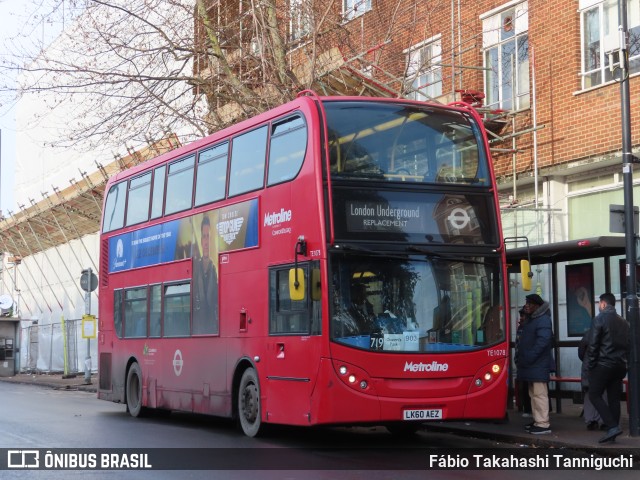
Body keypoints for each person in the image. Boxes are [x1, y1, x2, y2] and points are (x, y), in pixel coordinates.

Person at [586, 293, 630, 443]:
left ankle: (612, 426)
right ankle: (613, 431)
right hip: (619, 365)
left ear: (603, 304)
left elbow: (593, 346)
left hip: (603, 365)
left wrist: (591, 366)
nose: (599, 306)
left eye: (599, 303)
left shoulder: (599, 319)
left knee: (594, 394)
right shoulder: (624, 322)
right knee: (614, 398)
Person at [515, 293, 553, 435]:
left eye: (529, 304)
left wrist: (529, 356)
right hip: (532, 364)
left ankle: (543, 423)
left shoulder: (542, 320)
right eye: (526, 303)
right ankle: (538, 421)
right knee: (534, 394)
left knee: (539, 394)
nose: (527, 306)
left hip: (536, 364)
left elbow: (543, 341)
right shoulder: (534, 319)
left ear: (537, 305)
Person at [192, 214, 219, 335]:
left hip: (213, 330)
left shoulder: (216, 270)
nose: (206, 241)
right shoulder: (194, 268)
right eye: (204, 236)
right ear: (201, 240)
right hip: (197, 331)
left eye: (208, 236)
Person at [578, 327, 606, 430]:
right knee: (604, 394)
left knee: (589, 394)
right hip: (605, 367)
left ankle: (591, 420)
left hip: (589, 367)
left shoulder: (588, 333)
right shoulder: (611, 332)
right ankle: (604, 421)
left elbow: (581, 352)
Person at [515, 307, 532, 417]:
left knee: (527, 386)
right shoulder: (521, 327)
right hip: (521, 360)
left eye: (522, 316)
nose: (521, 318)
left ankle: (528, 409)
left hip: (526, 360)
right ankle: (527, 408)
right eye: (520, 316)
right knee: (524, 386)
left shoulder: (526, 327)